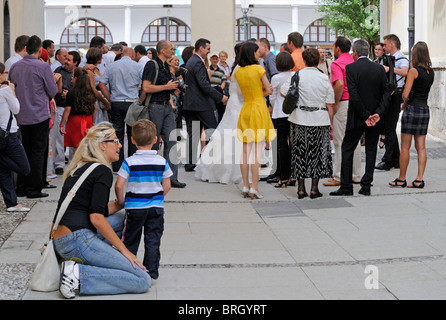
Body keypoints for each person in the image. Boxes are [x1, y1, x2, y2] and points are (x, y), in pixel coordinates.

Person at [52, 122, 151, 299]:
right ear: (103, 145)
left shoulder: (81, 167)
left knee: (123, 217)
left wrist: (121, 203)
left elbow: (91, 209)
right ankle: (78, 275)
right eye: (116, 141)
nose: (120, 145)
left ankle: (93, 264)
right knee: (142, 280)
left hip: (61, 239)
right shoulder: (103, 171)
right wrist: (124, 252)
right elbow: (96, 218)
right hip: (77, 239)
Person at [329, 40, 389, 197]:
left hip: (357, 116)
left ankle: (346, 186)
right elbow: (385, 92)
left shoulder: (351, 68)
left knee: (347, 147)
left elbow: (354, 94)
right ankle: (366, 185)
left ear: (355, 52)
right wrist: (377, 114)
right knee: (371, 149)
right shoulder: (379, 69)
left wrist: (365, 115)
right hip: (375, 117)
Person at [115, 119, 172, 280]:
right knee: (153, 240)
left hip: (134, 208)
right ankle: (151, 271)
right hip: (156, 208)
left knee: (130, 239)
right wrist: (158, 197)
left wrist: (121, 201)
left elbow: (119, 185)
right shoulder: (162, 162)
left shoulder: (129, 162)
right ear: (155, 140)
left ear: (132, 140)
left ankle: (130, 268)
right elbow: (167, 185)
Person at [9, 35, 60, 199]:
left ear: (26, 48)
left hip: (21, 115)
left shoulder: (15, 67)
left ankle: (22, 187)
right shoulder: (42, 66)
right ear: (39, 50)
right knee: (38, 151)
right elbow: (52, 91)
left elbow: (11, 88)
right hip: (39, 114)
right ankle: (34, 188)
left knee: (24, 150)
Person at [280, 48, 335, 199]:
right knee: (317, 154)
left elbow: (283, 92)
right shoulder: (323, 78)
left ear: (304, 60)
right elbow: (330, 102)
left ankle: (301, 189)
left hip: (299, 118)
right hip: (320, 118)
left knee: (299, 154)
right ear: (318, 60)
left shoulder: (296, 75)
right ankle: (314, 189)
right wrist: (331, 122)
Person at [195, 42, 244, 184]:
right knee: (233, 135)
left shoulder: (235, 67)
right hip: (238, 103)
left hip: (234, 102)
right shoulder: (240, 69)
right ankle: (229, 169)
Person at [389, 41, 435, 189]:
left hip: (412, 110)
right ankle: (419, 179)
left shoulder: (413, 71)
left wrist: (404, 101)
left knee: (405, 147)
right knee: (421, 147)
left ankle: (402, 178)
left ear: (415, 54)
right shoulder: (430, 72)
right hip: (424, 110)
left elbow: (406, 94)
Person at [142, 40, 186, 189]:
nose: (173, 51)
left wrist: (173, 89)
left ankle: (172, 177)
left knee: (172, 141)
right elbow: (146, 87)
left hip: (166, 107)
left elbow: (165, 87)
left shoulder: (165, 66)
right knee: (153, 142)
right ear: (162, 50)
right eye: (171, 49)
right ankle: (152, 177)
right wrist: (166, 87)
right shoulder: (151, 64)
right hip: (155, 107)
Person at [235, 42, 276, 200]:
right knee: (257, 152)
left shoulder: (238, 72)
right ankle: (255, 187)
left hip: (246, 109)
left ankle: (245, 185)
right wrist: (264, 93)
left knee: (245, 151)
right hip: (258, 109)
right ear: (251, 53)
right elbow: (268, 88)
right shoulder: (259, 69)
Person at [183, 38, 228, 172]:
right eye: (208, 49)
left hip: (192, 103)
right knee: (212, 130)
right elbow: (204, 85)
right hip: (201, 103)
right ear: (201, 48)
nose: (209, 51)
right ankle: (209, 160)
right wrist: (220, 97)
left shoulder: (191, 61)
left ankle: (191, 163)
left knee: (194, 133)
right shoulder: (197, 62)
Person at [323, 37, 362, 187]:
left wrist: (336, 102)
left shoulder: (336, 64)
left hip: (344, 102)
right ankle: (356, 174)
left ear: (338, 48)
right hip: (356, 103)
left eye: (333, 46)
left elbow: (339, 84)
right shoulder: (354, 61)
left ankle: (339, 175)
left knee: (339, 141)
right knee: (355, 140)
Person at [99, 47, 143, 171]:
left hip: (116, 102)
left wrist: (109, 97)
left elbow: (102, 84)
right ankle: (132, 164)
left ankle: (117, 165)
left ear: (122, 54)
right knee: (132, 135)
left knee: (117, 134)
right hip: (132, 103)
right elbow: (144, 84)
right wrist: (140, 100)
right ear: (133, 56)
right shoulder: (138, 66)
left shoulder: (112, 66)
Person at [375, 34, 410, 171]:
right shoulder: (388, 59)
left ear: (391, 44)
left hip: (396, 96)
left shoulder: (401, 58)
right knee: (389, 128)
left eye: (384, 44)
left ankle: (388, 160)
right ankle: (396, 159)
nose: (383, 47)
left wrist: (389, 69)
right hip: (388, 96)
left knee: (389, 128)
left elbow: (405, 72)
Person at [0, 62, 31, 212]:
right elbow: (17, 108)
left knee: (3, 173)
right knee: (24, 168)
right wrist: (12, 90)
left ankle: (12, 203)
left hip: (1, 135)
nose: (7, 75)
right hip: (9, 135)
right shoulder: (5, 90)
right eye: (5, 73)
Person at [52, 51, 81, 175]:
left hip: (74, 110)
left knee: (74, 138)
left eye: (69, 60)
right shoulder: (59, 70)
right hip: (61, 107)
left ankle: (73, 164)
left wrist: (69, 94)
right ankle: (59, 164)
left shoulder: (80, 74)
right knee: (60, 137)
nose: (66, 62)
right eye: (66, 59)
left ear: (75, 63)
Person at [270, 51, 295, 188]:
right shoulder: (295, 75)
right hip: (293, 114)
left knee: (281, 145)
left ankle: (283, 176)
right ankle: (294, 175)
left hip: (280, 113)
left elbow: (272, 97)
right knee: (293, 144)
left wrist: (275, 106)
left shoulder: (276, 78)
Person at [59, 68, 97, 154]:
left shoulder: (72, 93)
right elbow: (95, 109)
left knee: (76, 147)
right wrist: (93, 122)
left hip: (75, 121)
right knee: (86, 145)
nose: (71, 79)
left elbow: (67, 110)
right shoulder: (91, 92)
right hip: (88, 120)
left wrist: (61, 124)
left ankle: (77, 165)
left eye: (72, 77)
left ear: (76, 79)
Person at [83, 47, 110, 124]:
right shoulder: (90, 70)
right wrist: (105, 102)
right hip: (95, 100)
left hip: (99, 99)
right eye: (100, 56)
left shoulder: (96, 69)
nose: (102, 57)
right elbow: (93, 89)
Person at [209, 52, 227, 123]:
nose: (215, 60)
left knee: (221, 111)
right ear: (210, 60)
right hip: (210, 92)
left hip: (219, 92)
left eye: (216, 59)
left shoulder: (221, 71)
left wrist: (219, 90)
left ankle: (220, 125)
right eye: (213, 59)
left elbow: (224, 81)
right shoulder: (208, 69)